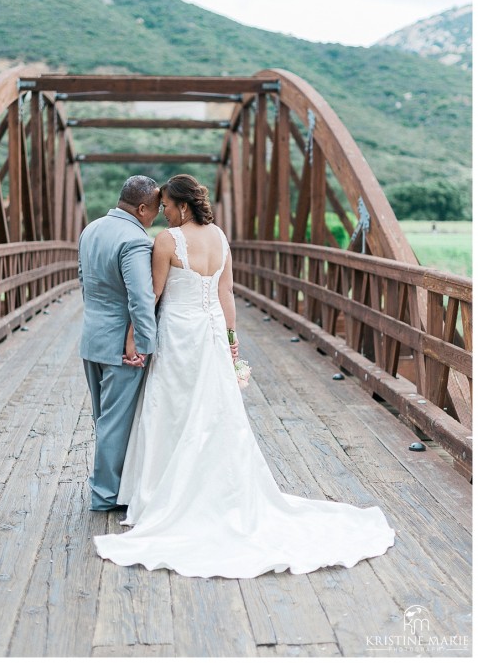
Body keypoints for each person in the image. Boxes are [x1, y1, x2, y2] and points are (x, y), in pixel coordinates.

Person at [94, 175, 395, 577]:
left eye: (165, 206)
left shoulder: (167, 241)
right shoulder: (220, 238)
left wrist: (134, 335)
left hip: (179, 335)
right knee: (215, 412)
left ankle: (160, 492)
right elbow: (226, 293)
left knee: (171, 409)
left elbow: (153, 295)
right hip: (212, 334)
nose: (162, 212)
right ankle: (222, 490)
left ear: (182, 206)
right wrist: (232, 340)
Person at [78, 175, 160, 512]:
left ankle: (109, 486)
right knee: (115, 422)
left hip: (92, 337)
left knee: (103, 418)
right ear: (141, 208)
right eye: (155, 210)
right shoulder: (135, 240)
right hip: (120, 347)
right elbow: (141, 298)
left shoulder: (91, 229)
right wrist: (144, 344)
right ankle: (105, 495)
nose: (155, 216)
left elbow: (84, 281)